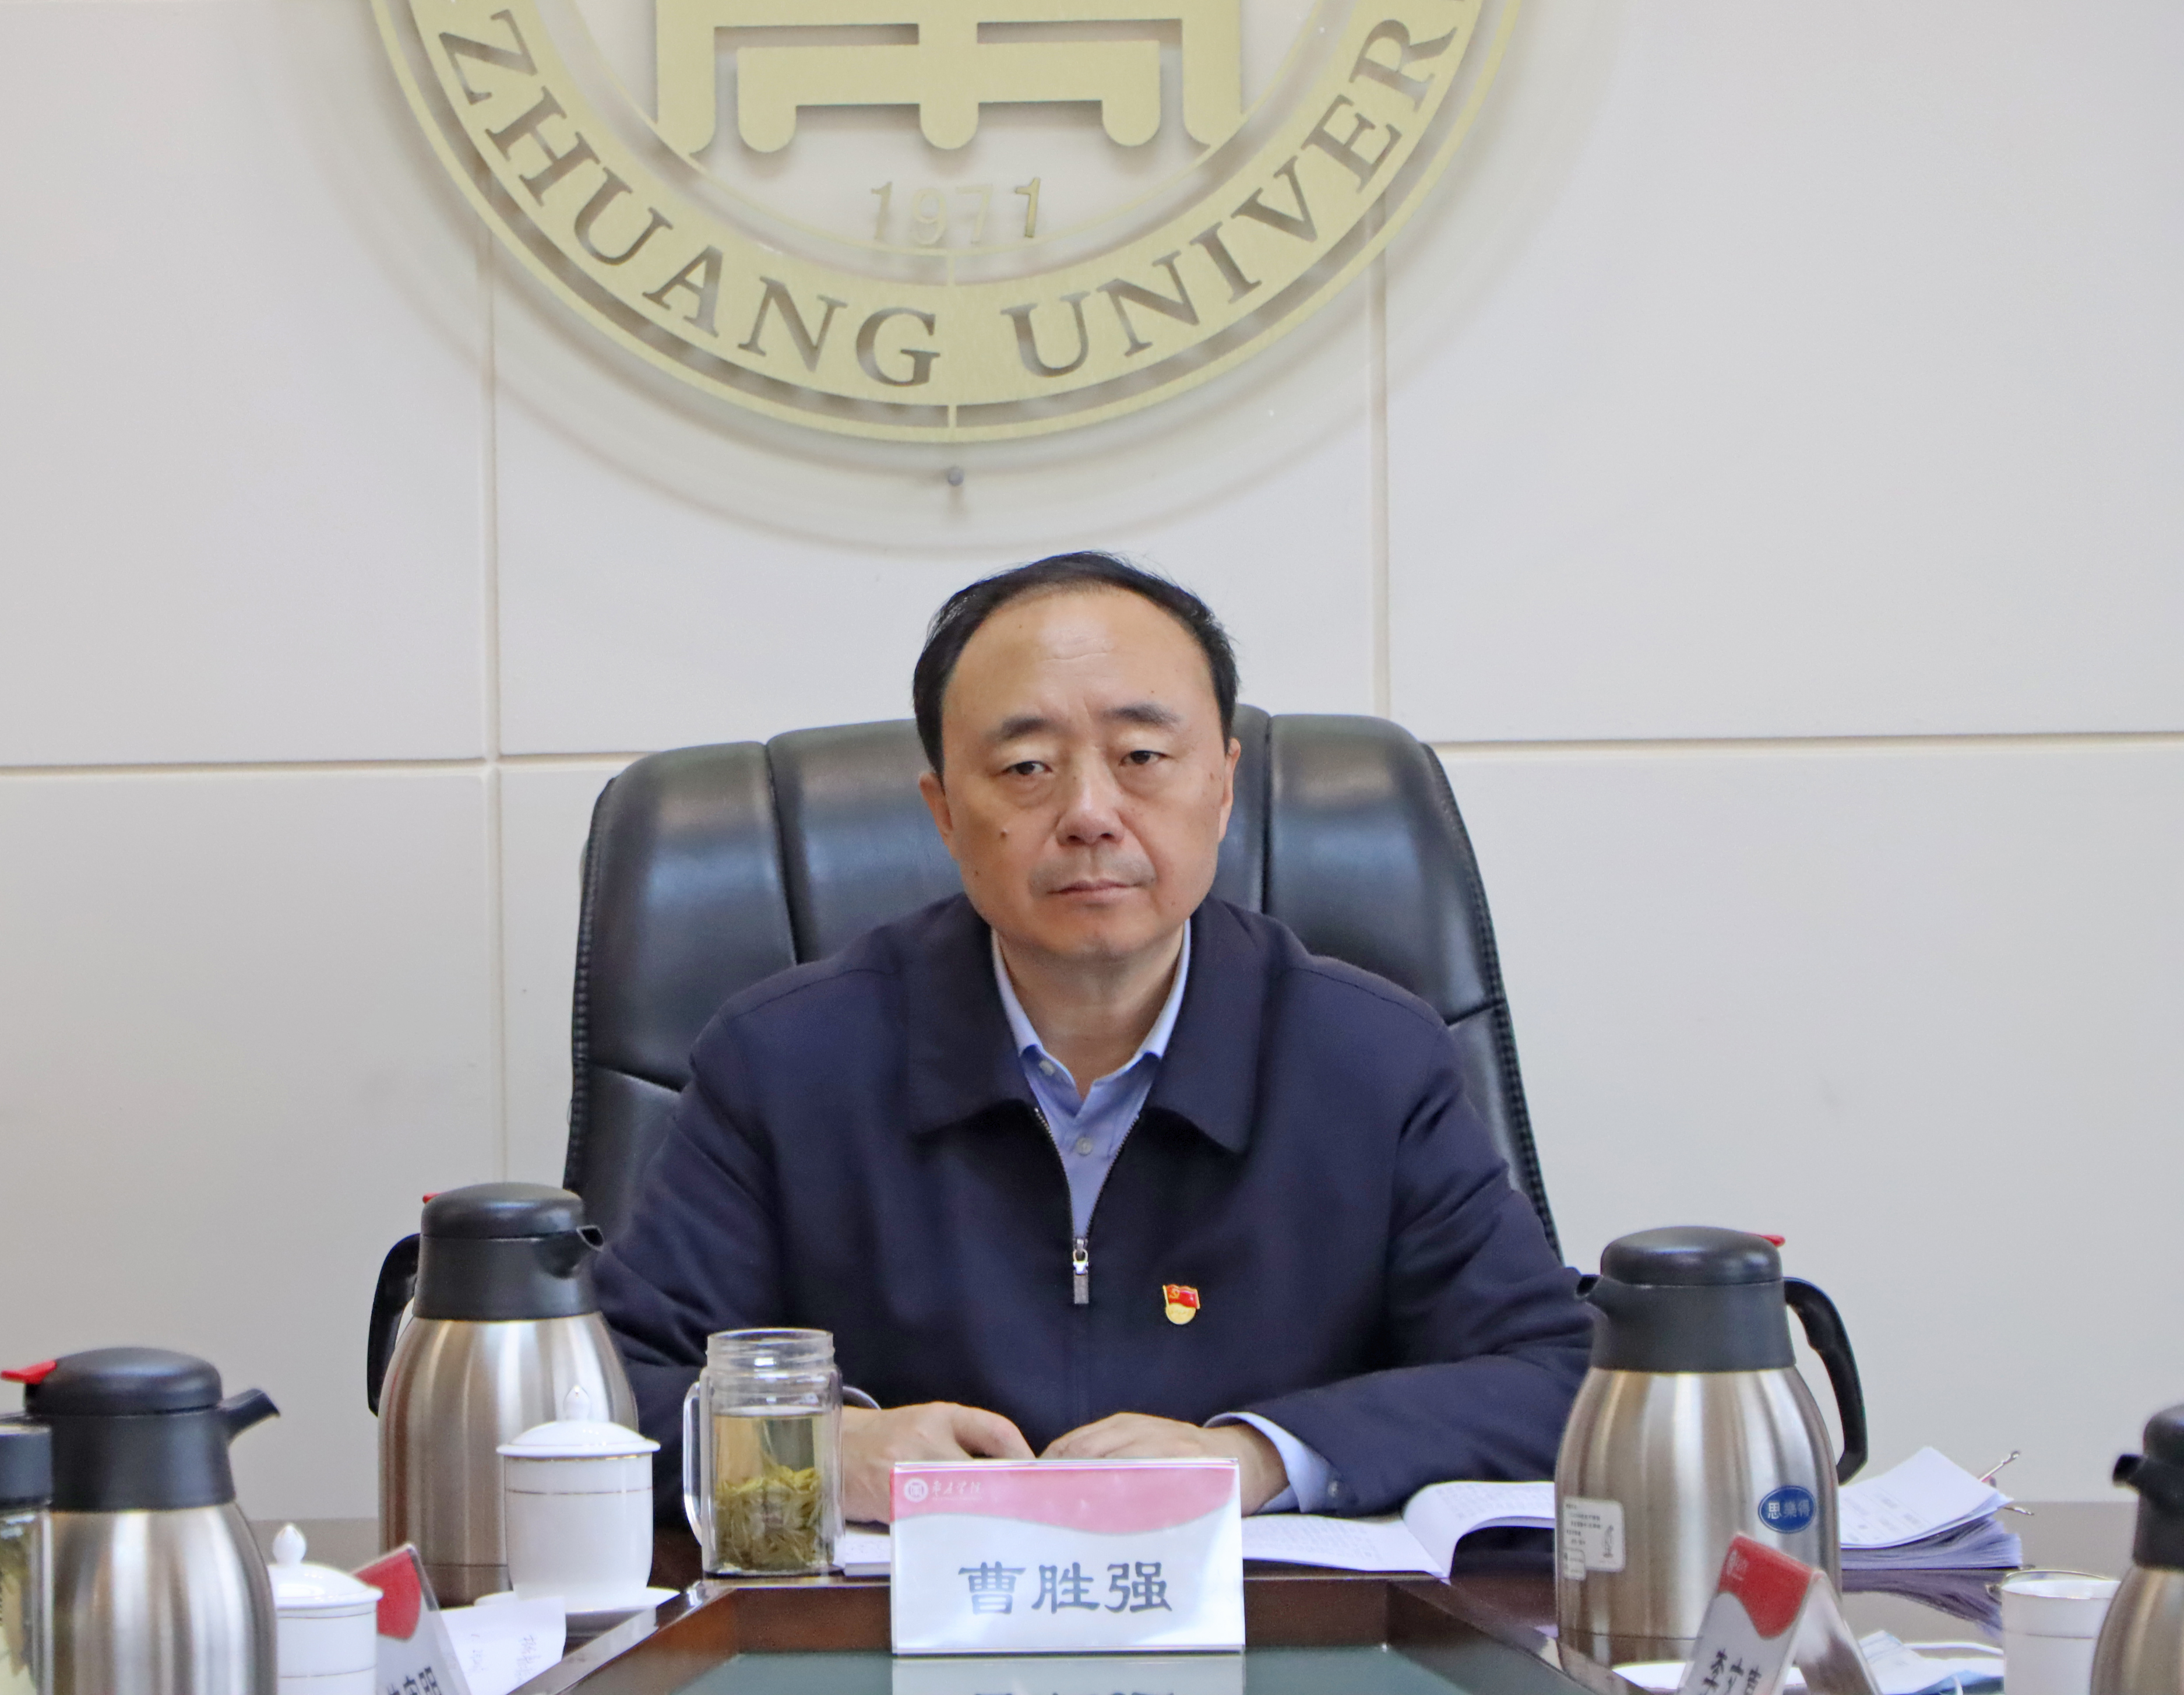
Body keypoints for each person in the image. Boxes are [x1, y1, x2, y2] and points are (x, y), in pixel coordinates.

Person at [596, 553, 1593, 1525]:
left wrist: (1256, 1457)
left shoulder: (1368, 1060)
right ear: (945, 813)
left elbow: (1558, 1376)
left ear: (1223, 785)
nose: (1088, 814)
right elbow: (607, 1395)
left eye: (1142, 757)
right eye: (1027, 767)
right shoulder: (787, 1062)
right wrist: (813, 1449)